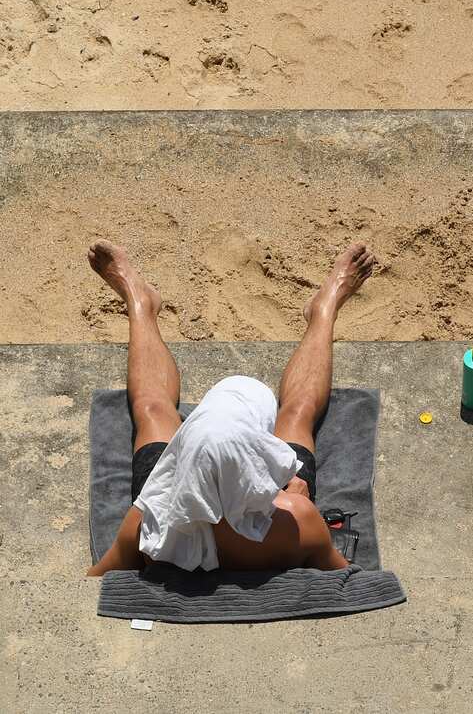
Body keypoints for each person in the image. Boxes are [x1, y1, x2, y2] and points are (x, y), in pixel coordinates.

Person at [85, 239, 376, 576]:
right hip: (278, 522)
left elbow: (92, 584)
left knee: (151, 409)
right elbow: (352, 582)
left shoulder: (148, 520)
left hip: (172, 521)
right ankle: (324, 310)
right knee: (299, 413)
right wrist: (295, 495)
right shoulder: (298, 519)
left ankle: (140, 304)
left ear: (182, 457)